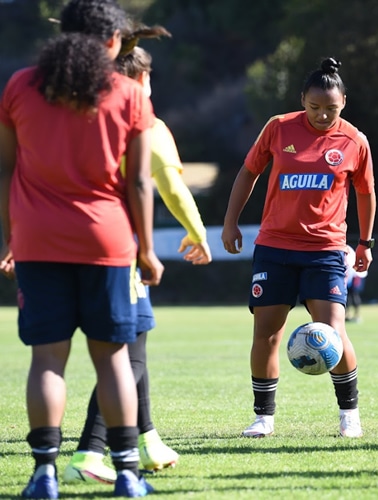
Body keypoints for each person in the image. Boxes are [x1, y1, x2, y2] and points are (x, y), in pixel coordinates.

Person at [0, 0, 163, 497]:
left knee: (47, 360)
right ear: (114, 41)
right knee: (113, 358)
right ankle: (129, 477)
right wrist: (148, 250)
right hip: (106, 241)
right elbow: (138, 182)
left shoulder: (20, 86)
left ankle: (43, 473)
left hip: (36, 241)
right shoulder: (128, 94)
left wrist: (10, 236)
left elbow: (5, 170)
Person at [63, 36, 213, 485]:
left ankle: (147, 440)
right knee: (127, 357)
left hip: (68, 242)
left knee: (135, 343)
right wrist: (197, 231)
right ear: (143, 78)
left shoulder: (82, 115)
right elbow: (168, 183)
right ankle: (88, 454)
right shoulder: (145, 120)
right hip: (118, 246)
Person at [221, 57, 376, 439]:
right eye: (314, 107)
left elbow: (366, 192)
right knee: (267, 334)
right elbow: (248, 172)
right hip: (274, 248)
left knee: (333, 333)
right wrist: (230, 220)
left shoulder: (354, 141)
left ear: (344, 103)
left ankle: (349, 415)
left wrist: (365, 243)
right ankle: (263, 418)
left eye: (331, 109)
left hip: (325, 250)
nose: (323, 115)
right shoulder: (278, 128)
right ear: (302, 99)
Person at [344, 245, 368, 323]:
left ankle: (357, 315)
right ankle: (347, 314)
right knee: (347, 295)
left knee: (354, 295)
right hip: (349, 276)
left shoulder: (348, 249)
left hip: (355, 275)